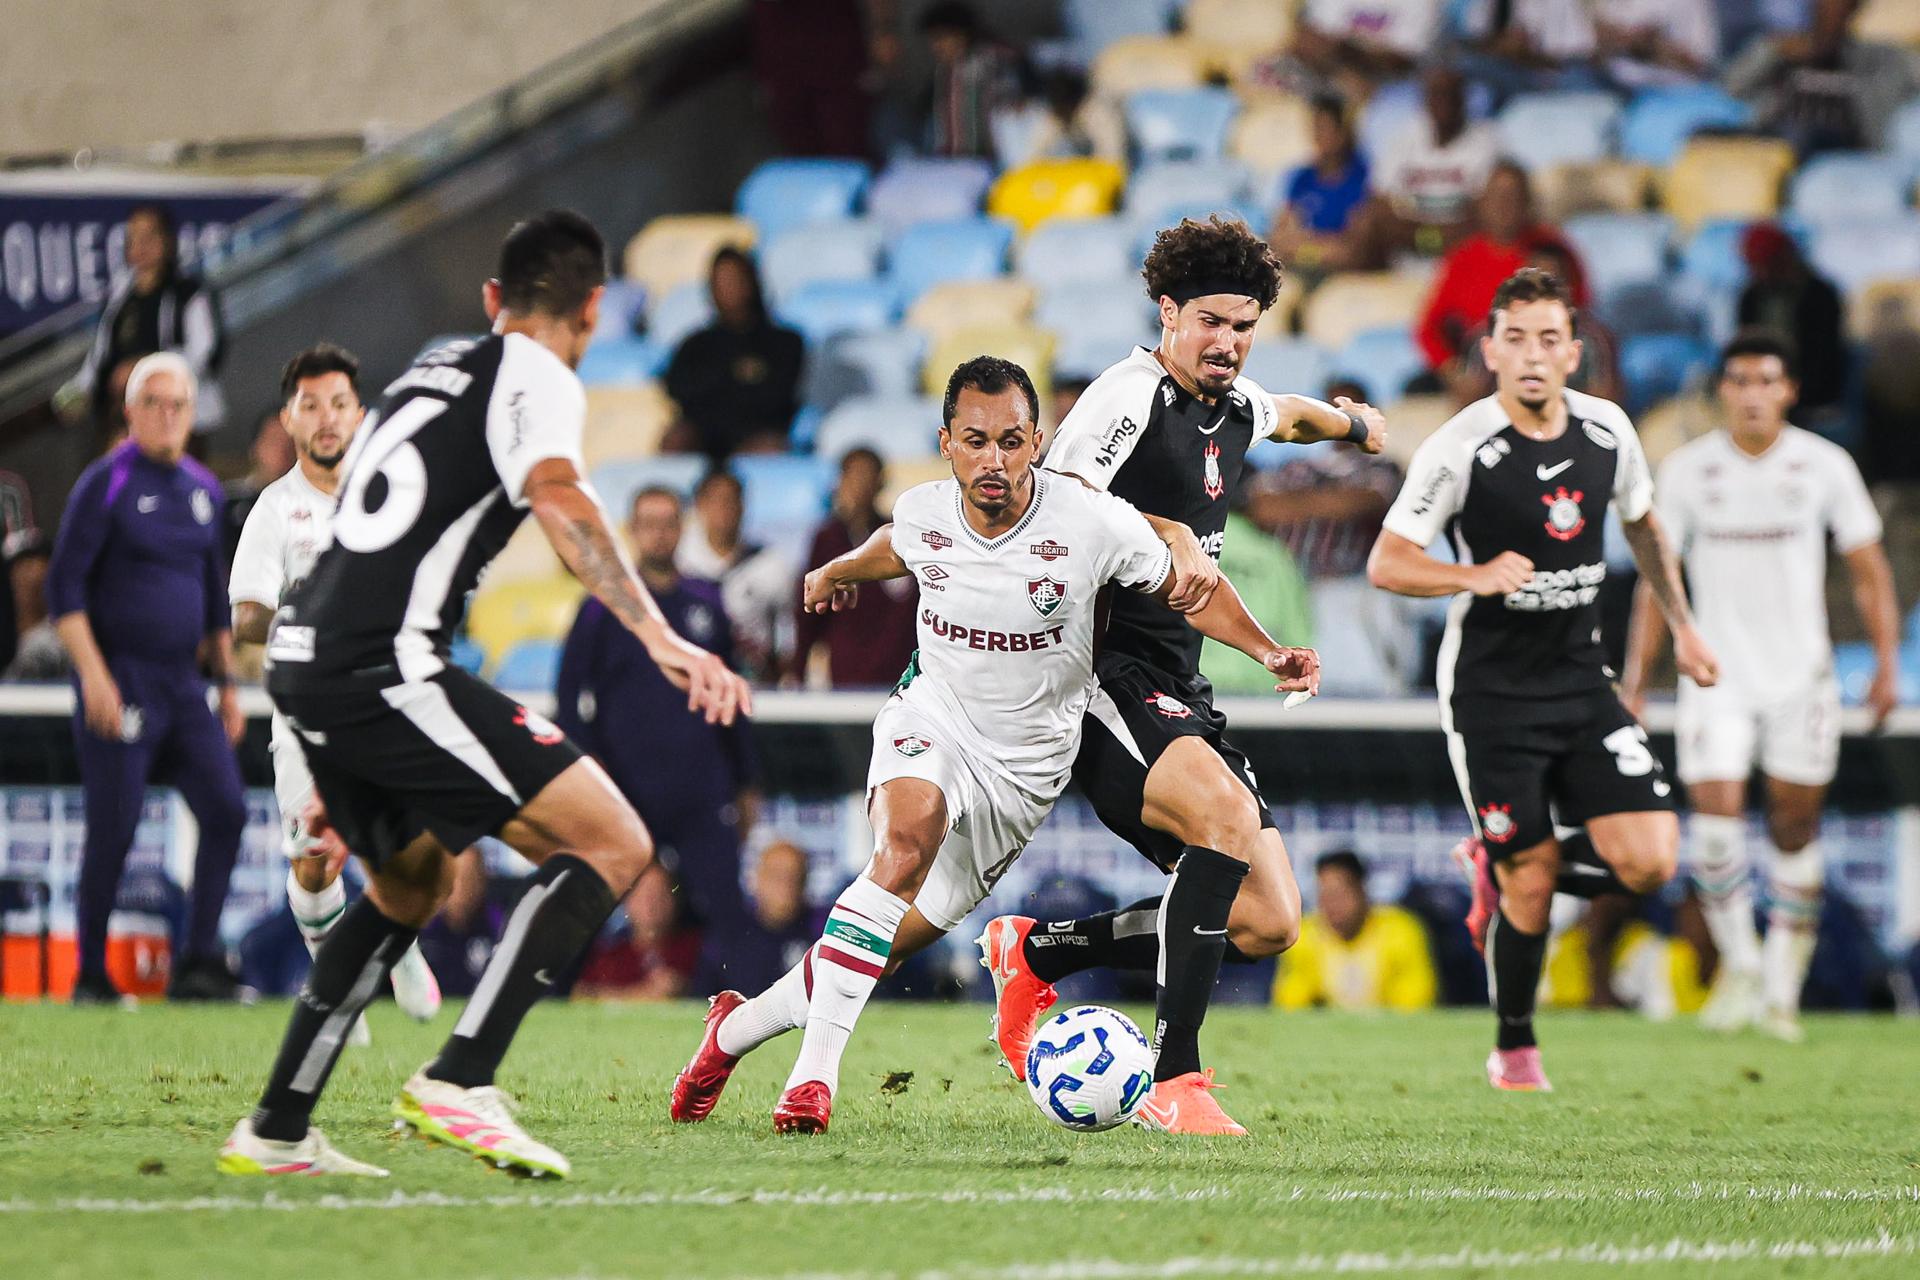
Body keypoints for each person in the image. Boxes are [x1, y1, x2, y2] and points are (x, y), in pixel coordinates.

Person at [215, 209, 750, 1180]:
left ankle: (278, 1125)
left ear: (492, 300)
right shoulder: (539, 374)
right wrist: (660, 635)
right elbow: (558, 492)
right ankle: (461, 1076)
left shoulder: (427, 372)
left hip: (310, 660)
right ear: (593, 309)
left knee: (412, 880)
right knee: (614, 840)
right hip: (382, 663)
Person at [668, 356, 1319, 1135]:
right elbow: (894, 544)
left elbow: (1194, 593)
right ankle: (812, 1083)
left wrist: (1267, 651)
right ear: (947, 443)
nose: (994, 460)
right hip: (932, 720)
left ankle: (732, 1032)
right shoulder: (926, 511)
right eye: (975, 441)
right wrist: (839, 569)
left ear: (1038, 441)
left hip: (1023, 775)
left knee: (882, 945)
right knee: (901, 847)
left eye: (1012, 441)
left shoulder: (1088, 523)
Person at [974, 217, 1387, 1136]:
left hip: (1172, 680)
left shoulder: (1233, 411)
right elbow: (1059, 502)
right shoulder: (1128, 396)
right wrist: (1155, 530)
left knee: (1269, 919)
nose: (1228, 343)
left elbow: (1293, 416)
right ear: (1168, 312)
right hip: (1094, 676)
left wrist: (1356, 426)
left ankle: (1037, 950)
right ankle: (1176, 1079)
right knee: (1229, 821)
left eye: (1243, 326)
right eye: (1210, 322)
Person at [1366, 267, 1719, 1092]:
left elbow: (1644, 525)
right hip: (1491, 696)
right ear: (1490, 350)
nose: (1532, 354)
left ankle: (1504, 857)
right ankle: (1516, 1048)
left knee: (1652, 861)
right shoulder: (1460, 447)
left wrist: (1688, 630)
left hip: (1579, 680)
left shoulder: (1608, 433)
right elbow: (1389, 562)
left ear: (1574, 352)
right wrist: (1473, 575)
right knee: (1528, 883)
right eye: (1514, 338)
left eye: (1549, 339)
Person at [1620, 329, 1899, 1042]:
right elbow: (1657, 580)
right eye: (1738, 381)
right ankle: (1742, 968)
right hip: (1716, 675)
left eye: (1765, 380)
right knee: (1713, 824)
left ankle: (1781, 988)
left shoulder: (1824, 466)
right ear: (1722, 392)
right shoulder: (1686, 471)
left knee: (1794, 827)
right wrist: (1636, 678)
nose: (1751, 394)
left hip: (1802, 678)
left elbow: (1869, 571)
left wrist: (1887, 666)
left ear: (1788, 391)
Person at [227, 344, 442, 1042]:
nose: (326, 419)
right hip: (306, 711)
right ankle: (336, 981)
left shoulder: (389, 498)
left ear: (361, 414)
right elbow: (247, 617)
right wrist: (310, 613)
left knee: (405, 849)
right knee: (314, 862)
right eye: (310, 405)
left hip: (384, 699)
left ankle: (399, 947)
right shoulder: (274, 510)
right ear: (289, 419)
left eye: (339, 404)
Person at [48, 353, 247, 1004]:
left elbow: (214, 595)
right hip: (121, 677)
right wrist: (95, 679)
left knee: (227, 809)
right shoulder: (103, 483)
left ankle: (197, 963)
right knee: (116, 824)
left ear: (193, 415)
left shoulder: (203, 490)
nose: (167, 416)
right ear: (129, 412)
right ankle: (91, 976)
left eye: (179, 405)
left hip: (183, 684)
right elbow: (64, 591)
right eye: (154, 403)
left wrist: (228, 685)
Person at [555, 484, 759, 978]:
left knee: (728, 910)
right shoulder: (603, 609)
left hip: (700, 787)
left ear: (681, 529)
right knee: (587, 900)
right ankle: (550, 998)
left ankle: (749, 1011)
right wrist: (591, 767)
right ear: (632, 532)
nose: (659, 533)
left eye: (669, 522)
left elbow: (734, 699)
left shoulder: (706, 603)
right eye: (649, 523)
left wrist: (748, 781)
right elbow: (566, 699)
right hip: (627, 789)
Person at [57, 204, 226, 440]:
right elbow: (100, 357)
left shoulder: (189, 293)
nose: (141, 245)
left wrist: (145, 370)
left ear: (167, 241)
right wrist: (76, 393)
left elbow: (205, 353)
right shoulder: (120, 297)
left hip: (180, 424)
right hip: (125, 421)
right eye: (133, 237)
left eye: (149, 236)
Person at [1416, 162, 1569, 381]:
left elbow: (1576, 312)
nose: (1503, 206)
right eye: (1496, 197)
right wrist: (1453, 370)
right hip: (1477, 365)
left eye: (1512, 197)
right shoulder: (1462, 258)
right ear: (1482, 203)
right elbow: (1429, 328)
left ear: (1527, 203)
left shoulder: (1553, 251)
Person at [1342, 65, 1501, 269]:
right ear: (1425, 99)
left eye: (1450, 94)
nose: (1443, 102)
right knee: (1362, 223)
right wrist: (1432, 236)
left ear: (1462, 99)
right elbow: (1380, 205)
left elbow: (1480, 217)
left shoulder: (1487, 142)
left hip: (1461, 259)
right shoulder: (1403, 138)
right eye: (1436, 94)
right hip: (1402, 255)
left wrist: (1411, 230)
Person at [788, 448, 918, 688]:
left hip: (901, 676)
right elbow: (809, 610)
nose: (861, 484)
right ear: (841, 481)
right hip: (845, 676)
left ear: (881, 482)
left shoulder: (899, 538)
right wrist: (798, 669)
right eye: (855, 475)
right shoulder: (827, 540)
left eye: (868, 475)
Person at [662, 249, 804, 460]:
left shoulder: (785, 342)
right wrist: (734, 377)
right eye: (721, 281)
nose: (728, 288)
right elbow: (677, 389)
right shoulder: (695, 344)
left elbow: (781, 394)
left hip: (758, 433)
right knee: (676, 440)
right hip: (704, 436)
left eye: (735, 279)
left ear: (752, 282)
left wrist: (721, 385)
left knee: (772, 448)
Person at [1726, 0, 1920, 155]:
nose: (1830, 16)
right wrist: (1774, 51)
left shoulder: (1880, 57)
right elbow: (1732, 87)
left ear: (1853, 11)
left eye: (1839, 8)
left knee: (1803, 134)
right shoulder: (1783, 51)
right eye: (1823, 8)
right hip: (1775, 144)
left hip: (1845, 152)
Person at [1274, 850, 1438, 1011]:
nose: (1332, 906)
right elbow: (1290, 1006)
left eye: (1340, 895)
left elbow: (1416, 1004)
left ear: (1361, 891)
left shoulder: (1400, 931)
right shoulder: (1305, 936)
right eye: (1325, 895)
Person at [678, 468, 795, 682]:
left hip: (753, 683)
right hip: (693, 684)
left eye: (731, 501)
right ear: (699, 506)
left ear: (743, 506)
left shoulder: (769, 564)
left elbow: (787, 634)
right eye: (715, 501)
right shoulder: (680, 564)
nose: (724, 509)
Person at [1735, 223, 1846, 423]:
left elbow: (1824, 358)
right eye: (1755, 267)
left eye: (1766, 265)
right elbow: (1745, 348)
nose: (1761, 273)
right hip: (1763, 387)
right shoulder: (1750, 296)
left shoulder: (1820, 295)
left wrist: (1788, 392)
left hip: (1812, 394)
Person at [1267, 96, 1371, 279]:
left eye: (1325, 129)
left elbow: (1350, 251)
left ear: (1342, 133)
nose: (1318, 136)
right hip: (1300, 269)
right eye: (1315, 128)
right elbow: (1278, 239)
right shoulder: (1301, 178)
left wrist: (1301, 247)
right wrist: (1318, 249)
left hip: (1341, 276)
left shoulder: (1363, 178)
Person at [574, 867, 703, 999]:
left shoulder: (697, 949)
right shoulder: (609, 956)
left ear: (676, 900)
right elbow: (581, 994)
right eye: (643, 896)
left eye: (661, 895)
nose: (651, 905)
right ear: (627, 902)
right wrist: (644, 993)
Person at [918, 2, 1023, 160]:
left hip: (989, 161)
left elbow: (1011, 110)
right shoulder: (945, 70)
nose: (936, 47)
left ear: (960, 34)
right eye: (933, 40)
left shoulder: (992, 60)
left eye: (941, 38)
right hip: (953, 163)